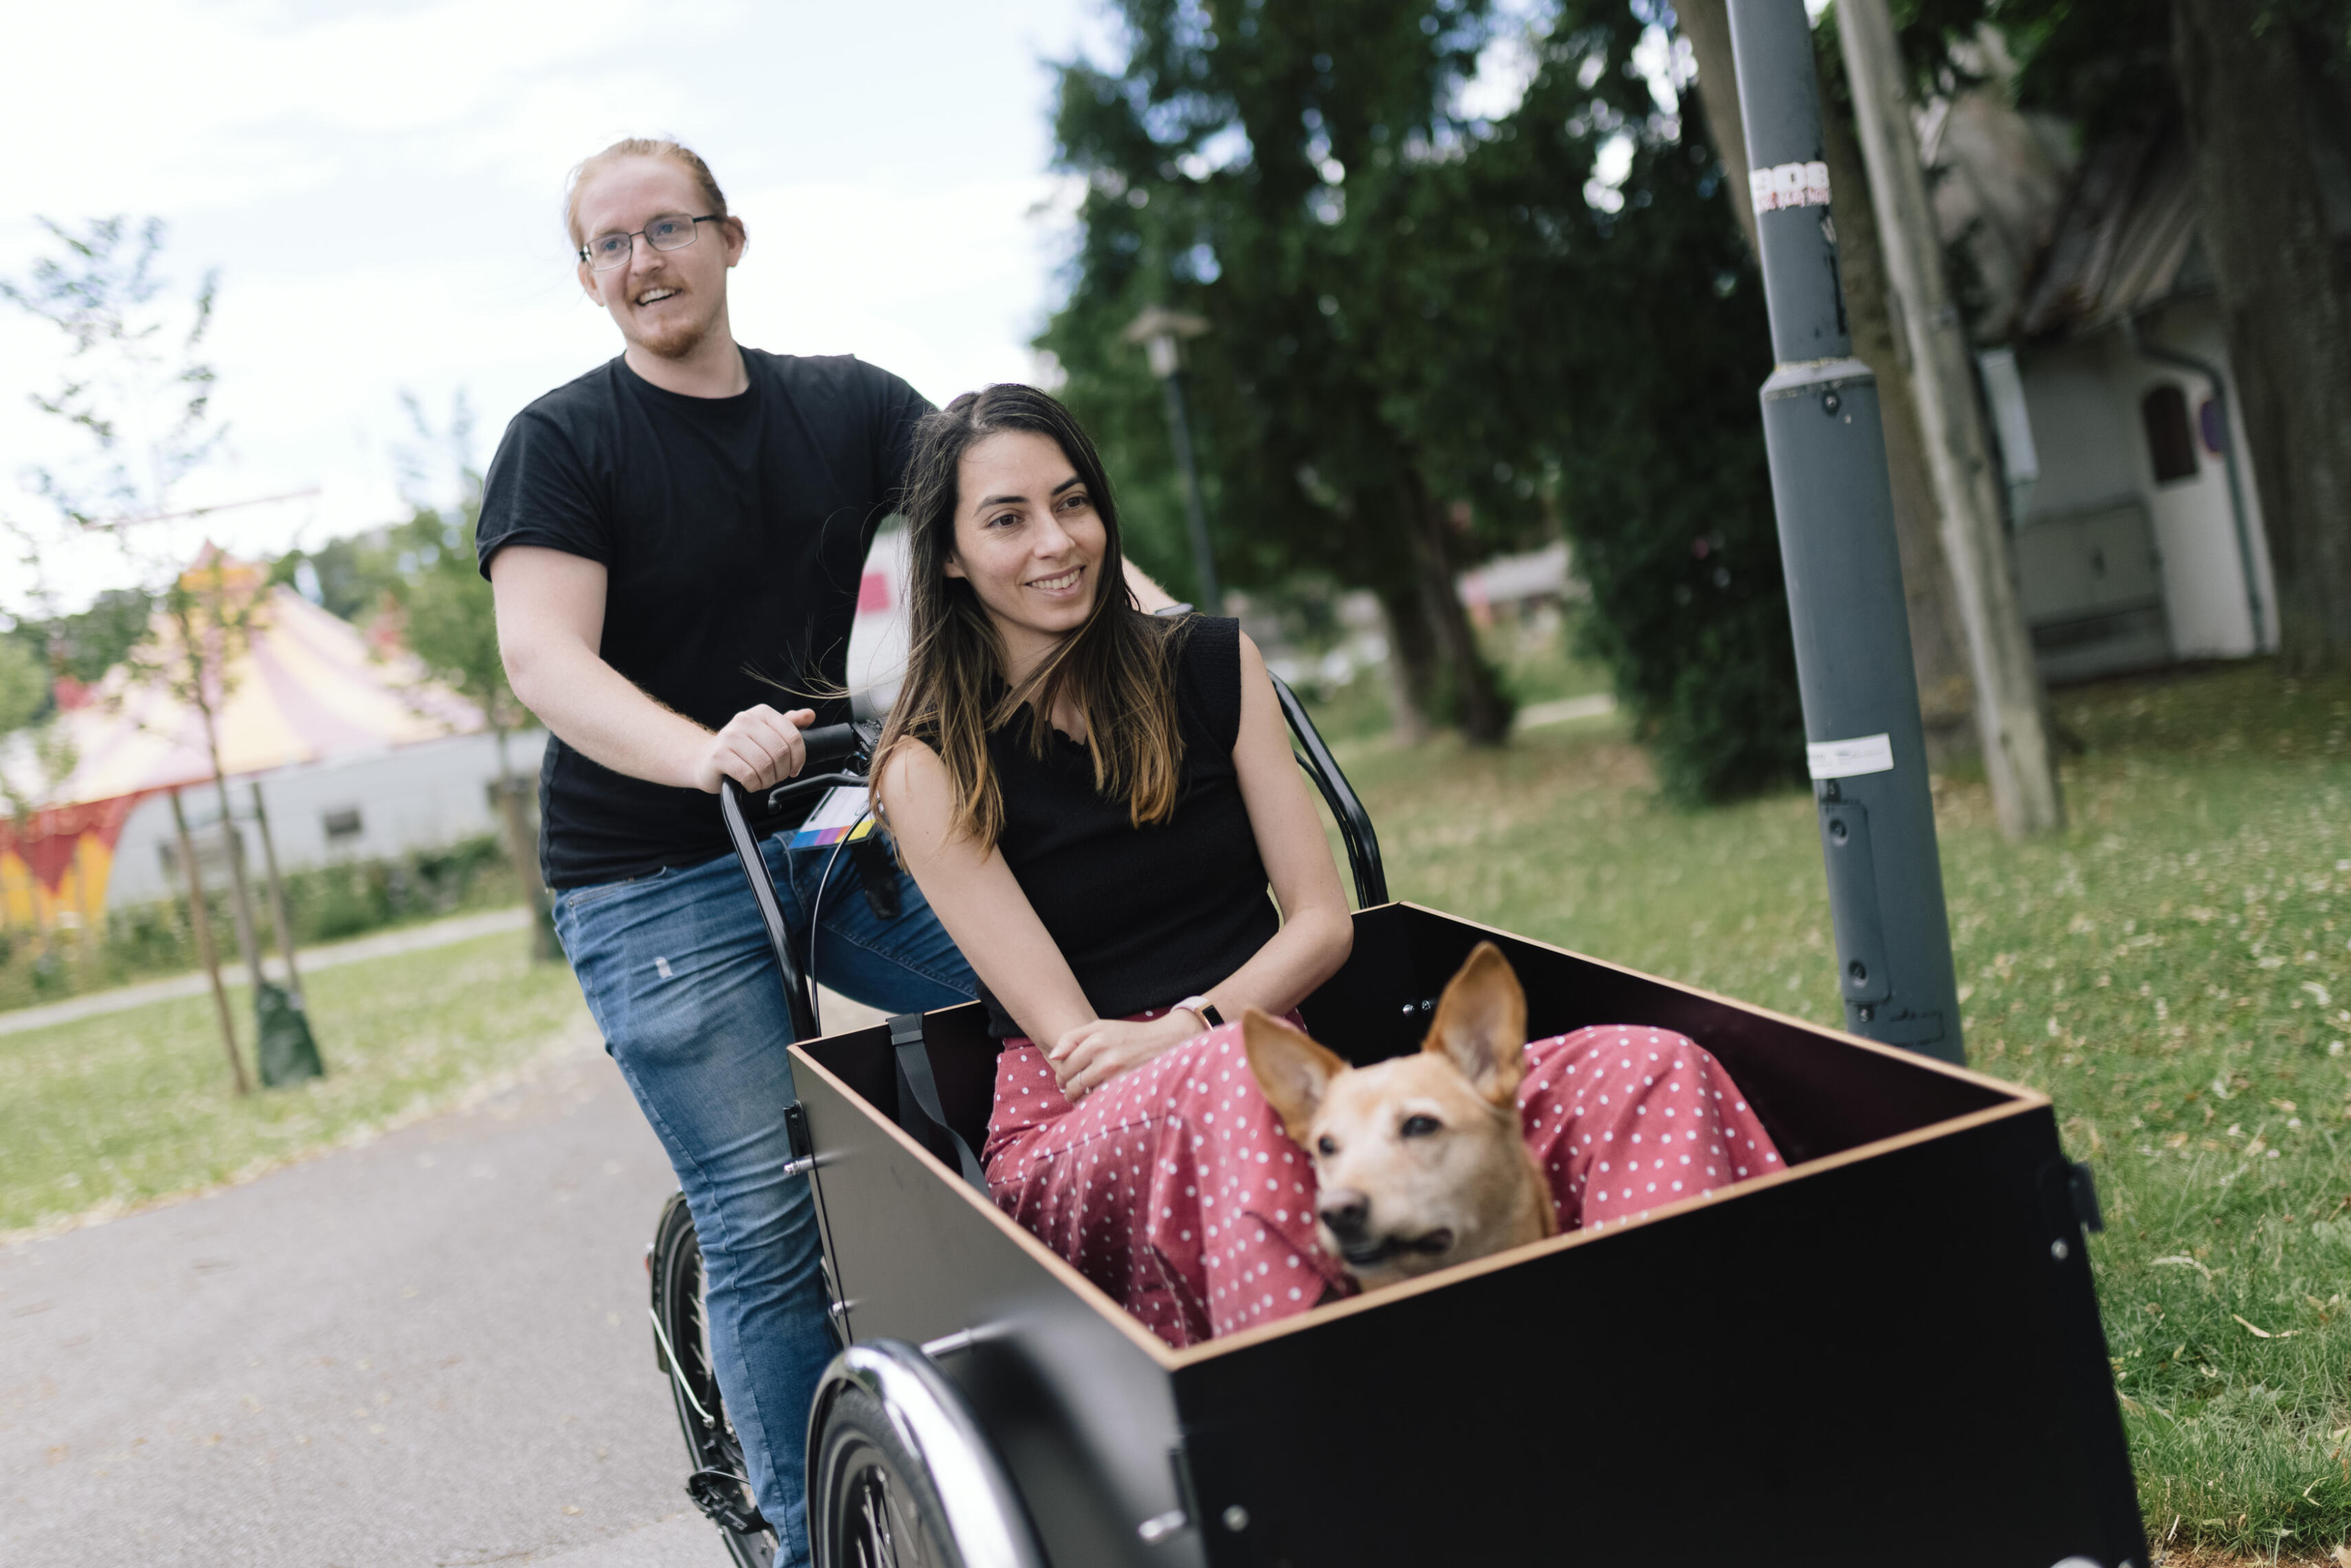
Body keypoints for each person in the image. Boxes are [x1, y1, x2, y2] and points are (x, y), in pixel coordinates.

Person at [475, 140, 1176, 1565]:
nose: (641, 261)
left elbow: (1008, 507)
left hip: (815, 827)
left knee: (1059, 984)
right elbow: (543, 658)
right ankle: (809, 1544)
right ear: (590, 278)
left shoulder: (841, 404)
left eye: (666, 227)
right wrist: (700, 749)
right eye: (607, 245)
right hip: (649, 875)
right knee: (767, 1208)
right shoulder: (567, 441)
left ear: (730, 239)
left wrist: (1171, 641)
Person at [873, 384, 1783, 1346]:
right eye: (1007, 520)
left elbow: (1321, 919)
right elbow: (1080, 1047)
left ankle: (1682, 1354)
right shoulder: (929, 760)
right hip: (1080, 1128)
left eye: (1072, 502)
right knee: (1229, 1078)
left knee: (1644, 1065)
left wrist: (1204, 1025)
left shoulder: (1215, 664)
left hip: (1294, 1087)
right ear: (949, 554)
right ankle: (1339, 1421)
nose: (1056, 542)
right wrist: (1203, 1046)